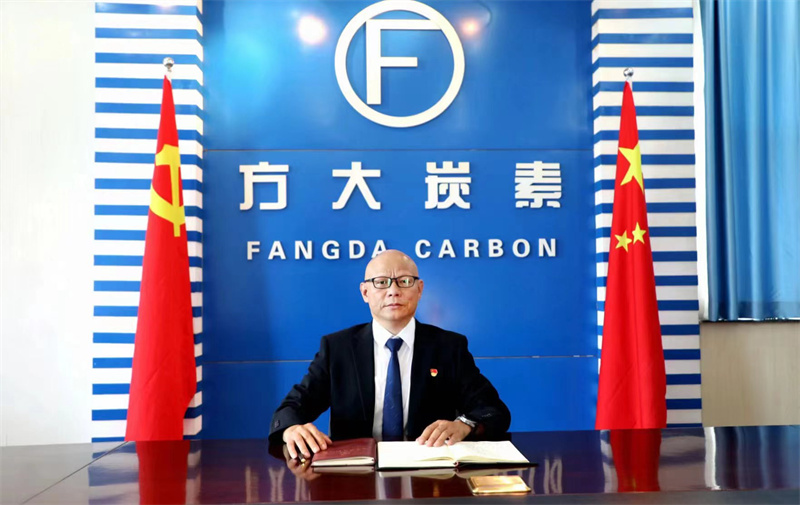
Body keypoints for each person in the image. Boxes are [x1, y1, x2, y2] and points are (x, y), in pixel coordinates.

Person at [269, 250, 511, 459]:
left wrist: (464, 425)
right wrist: (291, 429)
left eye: (404, 281)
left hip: (429, 472)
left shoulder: (449, 347)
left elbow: (494, 410)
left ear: (419, 289)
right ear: (365, 292)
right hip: (355, 474)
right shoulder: (338, 348)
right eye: (381, 282)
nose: (393, 291)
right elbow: (291, 408)